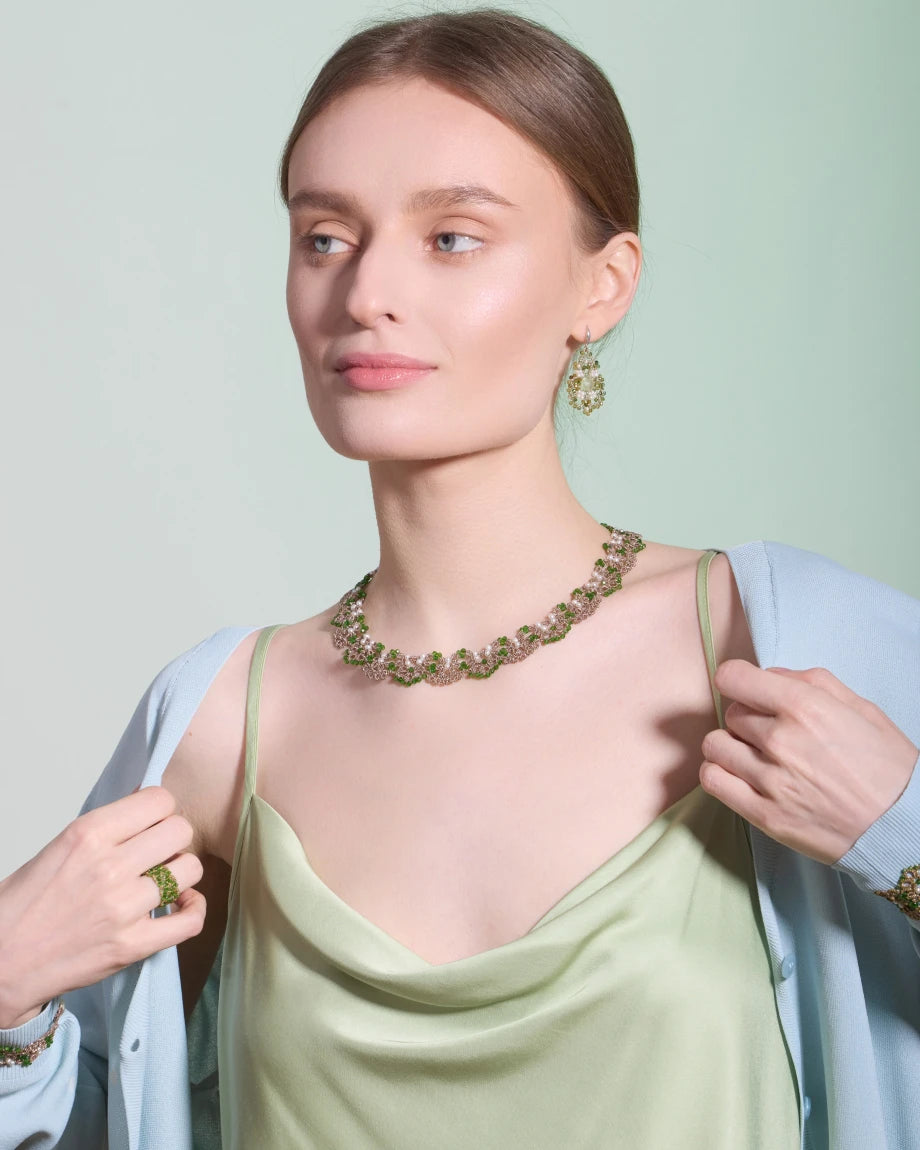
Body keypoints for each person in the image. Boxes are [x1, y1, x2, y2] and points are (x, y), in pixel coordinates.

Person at [1, 8, 918, 1150]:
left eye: (452, 238)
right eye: (326, 236)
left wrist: (906, 837)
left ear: (603, 284)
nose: (365, 291)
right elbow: (91, 1122)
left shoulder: (783, 643)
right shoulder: (218, 722)